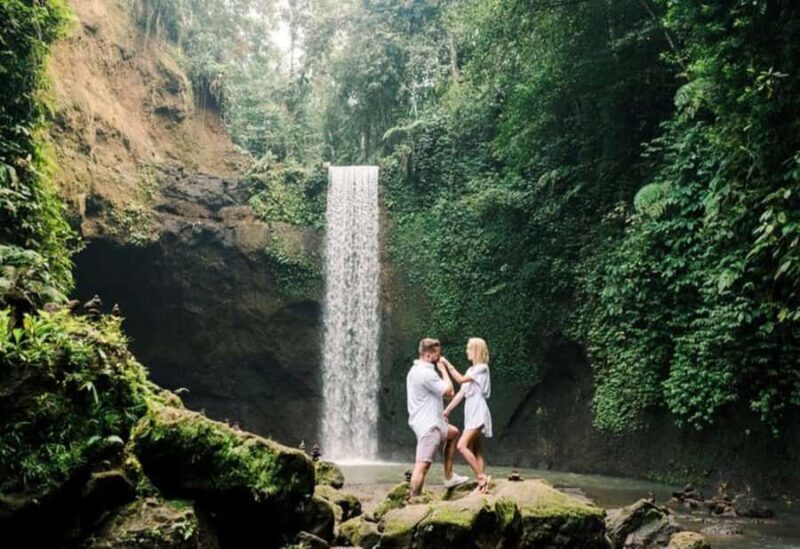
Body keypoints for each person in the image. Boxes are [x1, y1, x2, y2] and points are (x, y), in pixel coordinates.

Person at [406, 338, 470, 496]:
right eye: (437, 354)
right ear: (428, 356)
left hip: (434, 422)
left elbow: (428, 397)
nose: (439, 357)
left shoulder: (414, 370)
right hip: (429, 427)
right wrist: (444, 370)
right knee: (422, 466)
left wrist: (440, 416)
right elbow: (450, 393)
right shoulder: (427, 373)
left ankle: (449, 477)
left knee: (453, 433)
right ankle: (413, 500)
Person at [441, 337, 493, 493]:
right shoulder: (471, 370)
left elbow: (460, 379)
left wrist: (447, 365)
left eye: (469, 348)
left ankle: (482, 478)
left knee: (461, 445)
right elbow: (461, 394)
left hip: (478, 409)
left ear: (477, 350)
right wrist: (447, 410)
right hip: (471, 410)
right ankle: (481, 483)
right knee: (476, 448)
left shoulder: (482, 368)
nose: (466, 351)